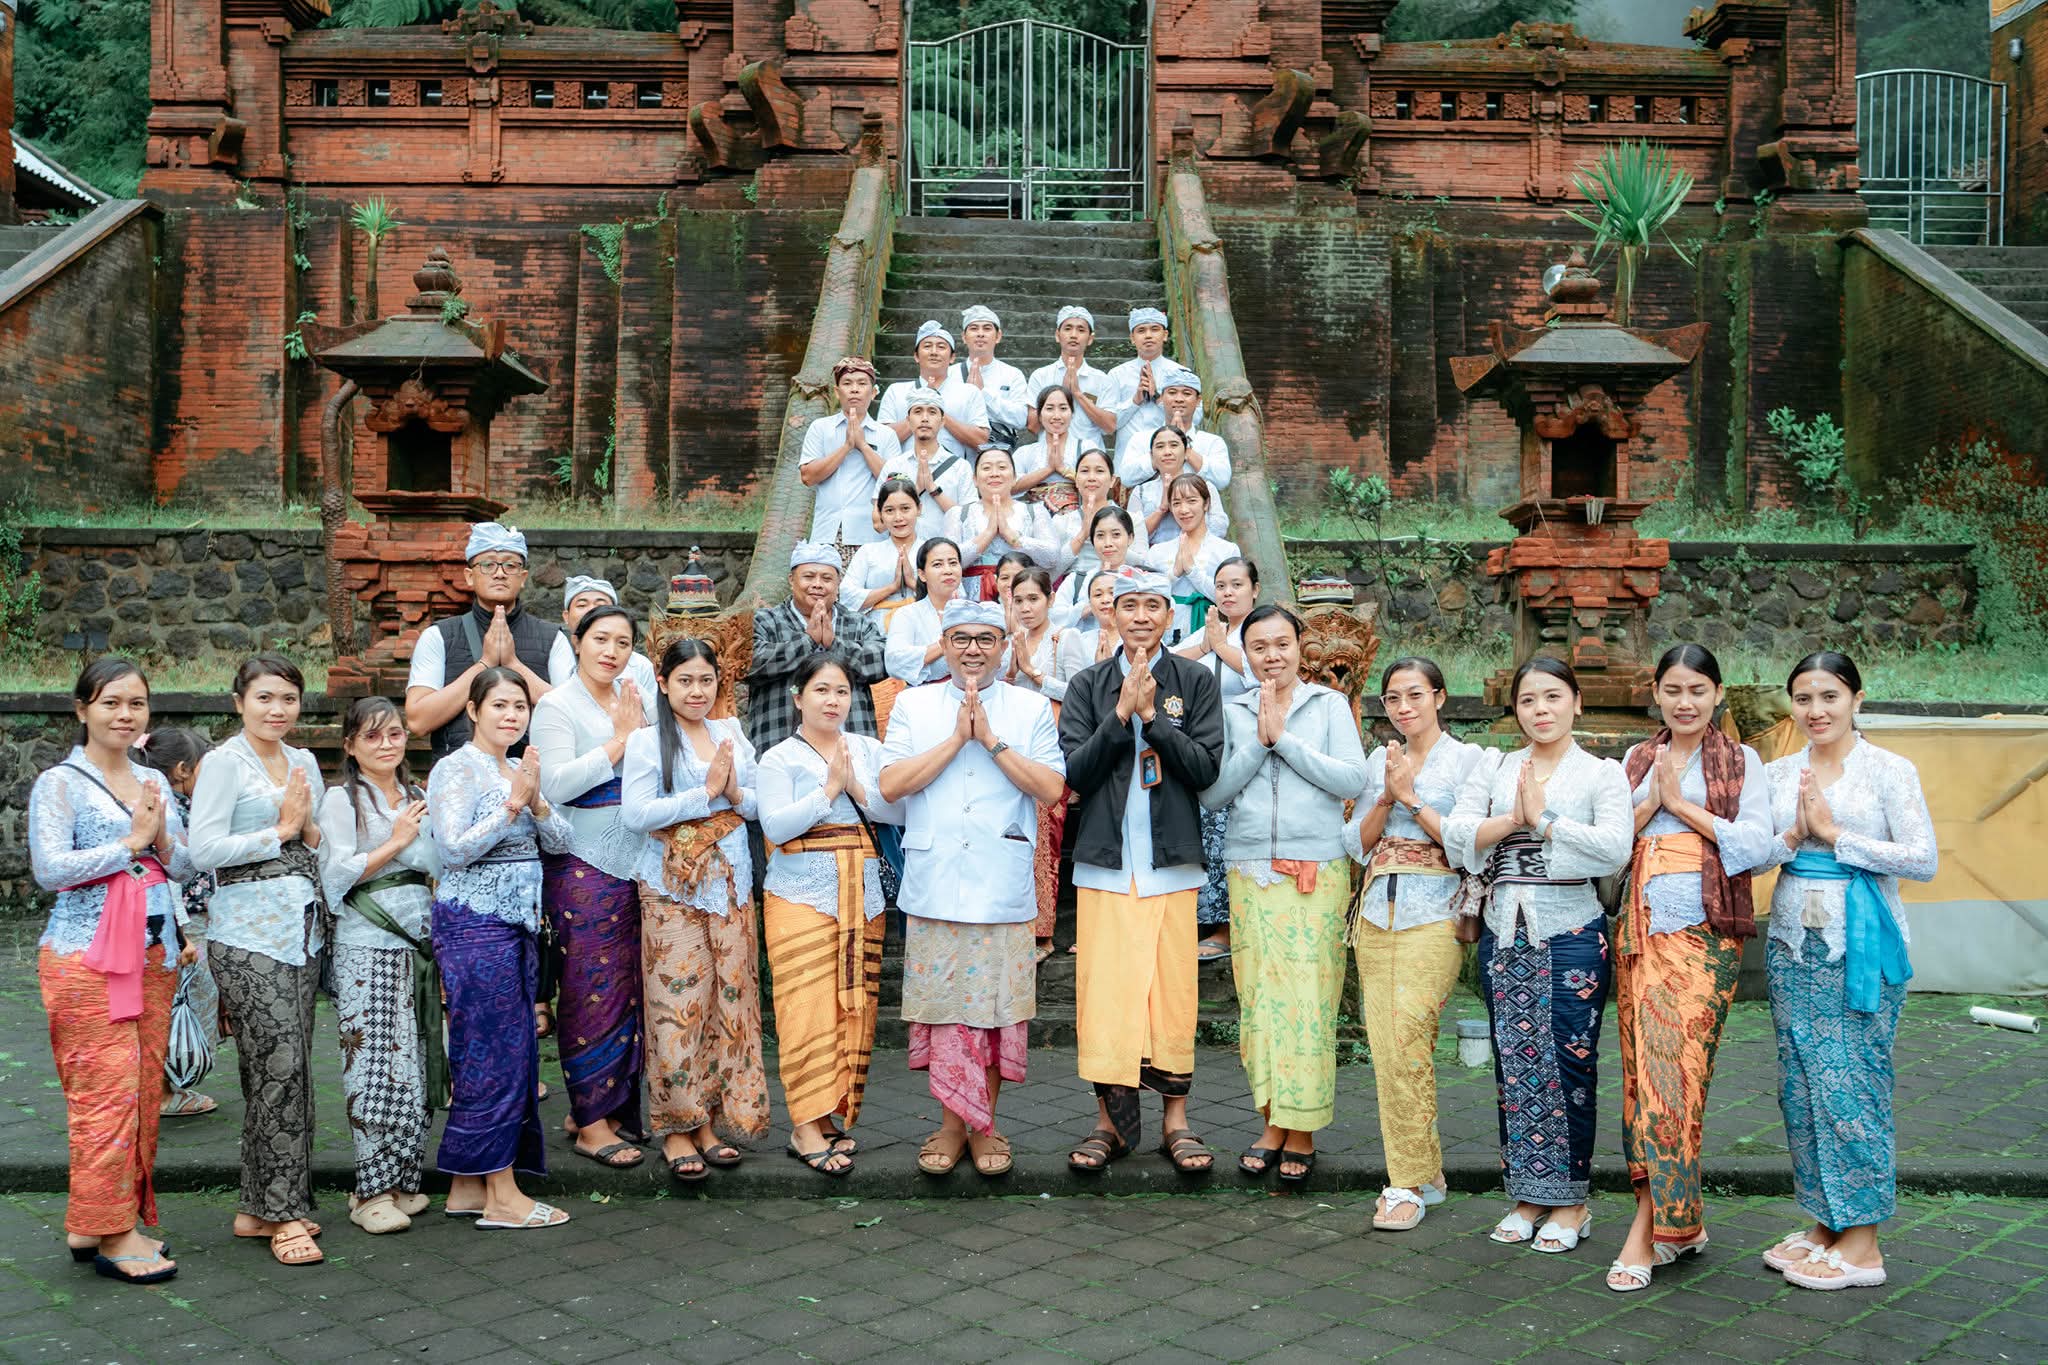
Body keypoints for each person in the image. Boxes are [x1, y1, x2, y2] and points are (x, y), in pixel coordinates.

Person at [1757, 651, 1936, 1292]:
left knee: (1853, 1082)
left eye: (1829, 696)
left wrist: (1835, 837)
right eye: (1803, 699)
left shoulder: (1890, 770)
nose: (1816, 711)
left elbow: (1922, 859)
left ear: (1856, 699)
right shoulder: (1777, 774)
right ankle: (1827, 1222)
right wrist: (1788, 839)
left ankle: (1863, 1243)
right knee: (1801, 1084)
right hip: (1788, 943)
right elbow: (1752, 858)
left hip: (1861, 946)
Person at [1443, 656, 1631, 1256]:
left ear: (1576, 702)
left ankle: (1572, 1202)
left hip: (1572, 928)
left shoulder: (1602, 774)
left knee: (1571, 1062)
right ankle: (1527, 1194)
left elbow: (1614, 850)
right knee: (1516, 1061)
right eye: (1528, 700)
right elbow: (1457, 833)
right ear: (1515, 709)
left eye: (1553, 697)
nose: (1541, 710)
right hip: (1505, 929)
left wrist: (1544, 822)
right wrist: (1510, 819)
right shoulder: (1497, 767)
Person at [1602, 643, 1774, 1290]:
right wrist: (1650, 801)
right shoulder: (1635, 759)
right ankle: (1681, 1219)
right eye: (1673, 689)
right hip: (1640, 936)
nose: (1685, 702)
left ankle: (1648, 1227)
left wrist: (1687, 807)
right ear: (1655, 690)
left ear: (1718, 693)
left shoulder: (1742, 761)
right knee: (1643, 1077)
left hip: (1704, 939)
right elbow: (1612, 841)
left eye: (1698, 689)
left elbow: (1757, 846)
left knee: (1678, 1076)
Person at [880, 598, 1067, 1176]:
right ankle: (950, 1127)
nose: (973, 651)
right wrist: (955, 739)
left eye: (986, 639)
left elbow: (1052, 788)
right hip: (935, 885)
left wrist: (990, 740)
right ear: (944, 643)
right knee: (944, 1013)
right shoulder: (912, 704)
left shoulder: (1030, 708)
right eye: (961, 639)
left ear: (1003, 646)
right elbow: (890, 785)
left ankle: (985, 1126)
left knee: (994, 1013)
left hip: (1000, 886)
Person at [1059, 568, 1226, 1174]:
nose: (1140, 616)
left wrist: (1154, 719)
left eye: (1152, 605)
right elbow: (1075, 773)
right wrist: (1120, 715)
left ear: (1169, 614)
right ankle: (1110, 1125)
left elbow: (1205, 770)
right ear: (1110, 613)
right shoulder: (1087, 684)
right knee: (1107, 996)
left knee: (1171, 996)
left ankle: (1175, 1123)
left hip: (1170, 866)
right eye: (1128, 605)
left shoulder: (1195, 681)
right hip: (1105, 866)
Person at [29, 659, 190, 1284]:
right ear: (82, 710)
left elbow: (180, 867)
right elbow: (50, 869)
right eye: (111, 703)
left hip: (154, 955)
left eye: (137, 704)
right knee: (106, 1094)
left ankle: (94, 1219)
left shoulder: (152, 780)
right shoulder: (59, 784)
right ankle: (116, 1234)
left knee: (146, 1092)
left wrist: (165, 843)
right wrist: (129, 843)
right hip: (86, 957)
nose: (125, 715)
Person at [1201, 604, 1366, 1184]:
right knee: (1263, 1004)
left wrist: (1286, 742)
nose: (1273, 656)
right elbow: (1213, 793)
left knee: (1309, 1003)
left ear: (1302, 647)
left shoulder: (1328, 706)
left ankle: (1304, 1128)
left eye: (1282, 644)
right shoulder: (1230, 709)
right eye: (1260, 647)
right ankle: (1272, 1119)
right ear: (1245, 653)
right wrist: (1259, 742)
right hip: (1249, 870)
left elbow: (1352, 780)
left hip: (1315, 870)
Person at [187, 654, 328, 1267]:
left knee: (290, 1071)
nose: (278, 710)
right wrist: (281, 830)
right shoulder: (223, 763)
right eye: (265, 698)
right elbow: (202, 849)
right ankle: (283, 1213)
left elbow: (316, 834)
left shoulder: (304, 760)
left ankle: (258, 1206)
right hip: (246, 935)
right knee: (281, 1069)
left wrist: (308, 830)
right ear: (239, 700)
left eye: (289, 699)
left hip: (302, 931)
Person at [1345, 656, 1493, 1232]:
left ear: (1439, 697)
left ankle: (1402, 1183)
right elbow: (1355, 843)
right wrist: (1384, 796)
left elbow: (1466, 844)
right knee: (1390, 1046)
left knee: (1408, 1033)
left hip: (1436, 913)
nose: (1404, 708)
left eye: (1414, 695)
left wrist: (1409, 799)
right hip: (1376, 912)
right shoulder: (1378, 759)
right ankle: (1426, 1171)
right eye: (1392, 699)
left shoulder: (1471, 761)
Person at [428, 667, 574, 1231]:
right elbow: (455, 849)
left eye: (520, 706)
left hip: (517, 926)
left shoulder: (518, 769)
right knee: (494, 1052)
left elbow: (561, 842)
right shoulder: (453, 768)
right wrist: (511, 807)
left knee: (505, 1050)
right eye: (500, 706)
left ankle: (467, 1185)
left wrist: (534, 802)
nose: (512, 715)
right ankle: (502, 1194)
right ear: (473, 711)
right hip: (473, 925)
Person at [621, 639, 769, 1182]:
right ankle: (676, 1128)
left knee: (725, 1005)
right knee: (674, 1005)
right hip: (670, 889)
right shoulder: (645, 742)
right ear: (664, 684)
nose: (697, 691)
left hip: (730, 889)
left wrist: (733, 790)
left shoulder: (730, 734)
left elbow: (757, 804)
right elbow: (636, 813)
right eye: (685, 680)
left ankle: (708, 1119)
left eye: (706, 680)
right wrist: (705, 796)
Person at [756, 653, 904, 1177]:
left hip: (861, 894)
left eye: (841, 691)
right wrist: (827, 793)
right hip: (800, 895)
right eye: (821, 690)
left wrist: (858, 787)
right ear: (798, 697)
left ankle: (832, 1114)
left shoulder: (868, 748)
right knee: (805, 1006)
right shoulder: (778, 758)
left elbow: (899, 808)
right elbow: (774, 824)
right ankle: (803, 1126)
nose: (832, 701)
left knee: (855, 1006)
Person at [530, 605, 650, 1169]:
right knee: (587, 988)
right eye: (600, 638)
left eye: (623, 642)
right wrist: (620, 743)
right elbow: (553, 784)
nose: (611, 651)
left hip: (640, 858)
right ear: (576, 642)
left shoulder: (633, 697)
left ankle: (608, 1108)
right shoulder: (556, 705)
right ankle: (591, 1123)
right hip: (582, 861)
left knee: (631, 988)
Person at [317, 697, 440, 1236]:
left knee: (414, 1065)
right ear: (350, 745)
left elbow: (440, 862)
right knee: (372, 1068)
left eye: (394, 735)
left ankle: (402, 1180)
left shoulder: (417, 794)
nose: (387, 745)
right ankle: (370, 1191)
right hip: (367, 943)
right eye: (372, 737)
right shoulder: (341, 800)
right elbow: (336, 875)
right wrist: (397, 841)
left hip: (418, 944)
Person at [405, 521, 560, 763]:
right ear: (469, 576)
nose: (499, 573)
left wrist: (513, 664)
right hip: (459, 779)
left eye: (510, 565)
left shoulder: (553, 638)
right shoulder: (439, 636)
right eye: (487, 564)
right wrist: (484, 664)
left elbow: (573, 713)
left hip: (535, 780)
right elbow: (417, 721)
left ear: (523, 578)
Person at [999, 568, 1091, 960]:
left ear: (1050, 601)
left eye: (1033, 599)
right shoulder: (1007, 643)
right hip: (1013, 752)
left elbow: (1085, 693)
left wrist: (1034, 673)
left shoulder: (1064, 638)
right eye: (1018, 600)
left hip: (1054, 749)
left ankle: (1043, 933)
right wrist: (1012, 665)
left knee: (1044, 841)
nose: (1026, 607)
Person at [1171, 554, 1258, 960]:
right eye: (1221, 585)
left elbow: (1263, 673)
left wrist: (1222, 647)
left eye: (1237, 584)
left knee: (1231, 836)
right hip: (1206, 748)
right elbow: (1165, 664)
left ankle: (1228, 927)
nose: (1227, 592)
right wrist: (1208, 643)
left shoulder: (1262, 631)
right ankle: (1204, 922)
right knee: (1206, 834)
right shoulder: (1210, 630)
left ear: (1254, 590)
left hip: (1247, 748)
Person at [138, 727, 219, 1120]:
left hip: (175, 918)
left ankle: (162, 1088)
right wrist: (183, 931)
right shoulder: (170, 805)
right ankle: (167, 1091)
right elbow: (171, 872)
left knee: (174, 1002)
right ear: (183, 769)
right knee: (181, 1003)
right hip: (183, 920)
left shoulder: (169, 800)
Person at [748, 541, 890, 754]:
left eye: (826, 578)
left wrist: (835, 645)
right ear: (791, 580)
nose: (817, 584)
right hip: (780, 743)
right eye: (808, 577)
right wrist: (807, 641)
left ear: (837, 584)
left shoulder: (858, 623)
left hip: (852, 747)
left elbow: (883, 662)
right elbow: (748, 663)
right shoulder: (764, 621)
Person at [799, 356, 902, 549]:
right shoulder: (820, 428)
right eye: (847, 383)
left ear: (873, 393)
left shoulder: (886, 434)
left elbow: (895, 483)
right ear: (837, 392)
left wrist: (862, 446)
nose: (854, 389)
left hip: (872, 535)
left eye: (862, 383)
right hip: (827, 532)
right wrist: (846, 446)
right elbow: (807, 476)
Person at [944, 447, 1058, 602]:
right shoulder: (958, 514)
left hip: (1023, 596)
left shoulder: (1033, 511)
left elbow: (1052, 557)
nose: (994, 473)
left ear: (1014, 477)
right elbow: (947, 562)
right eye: (986, 468)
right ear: (975, 479)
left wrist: (1012, 536)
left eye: (1002, 467)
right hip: (971, 599)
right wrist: (988, 534)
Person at [547, 576, 659, 723]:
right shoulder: (551, 652)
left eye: (601, 605)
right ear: (566, 616)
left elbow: (656, 718)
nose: (591, 610)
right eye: (582, 605)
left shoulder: (640, 666)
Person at [879, 321, 991, 463]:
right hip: (905, 478)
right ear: (916, 356)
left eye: (941, 347)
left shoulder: (969, 392)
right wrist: (922, 405)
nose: (934, 352)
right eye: (927, 346)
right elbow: (882, 441)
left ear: (952, 357)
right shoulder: (896, 391)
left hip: (954, 475)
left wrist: (938, 410)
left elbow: (981, 441)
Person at [878, 388, 976, 540]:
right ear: (908, 421)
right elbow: (878, 524)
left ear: (942, 421)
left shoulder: (960, 467)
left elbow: (969, 522)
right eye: (918, 411)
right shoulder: (894, 466)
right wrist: (915, 490)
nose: (924, 418)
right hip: (902, 552)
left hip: (945, 556)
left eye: (932, 412)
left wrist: (933, 489)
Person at [1024, 306, 1117, 452]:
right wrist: (1060, 395)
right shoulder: (1041, 376)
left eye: (1081, 330)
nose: (1074, 335)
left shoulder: (1102, 380)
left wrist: (1078, 394)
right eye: (1068, 328)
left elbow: (1110, 427)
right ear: (1057, 335)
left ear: (1090, 338)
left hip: (1090, 459)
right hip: (1049, 454)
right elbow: (1033, 426)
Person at [1101, 306, 1176, 478]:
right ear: (1132, 338)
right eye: (1141, 330)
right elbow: (1107, 426)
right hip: (1128, 465)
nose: (1148, 335)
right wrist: (1134, 401)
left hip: (1169, 464)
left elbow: (1194, 418)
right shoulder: (1117, 374)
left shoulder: (1180, 374)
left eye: (1154, 329)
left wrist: (1158, 398)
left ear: (1165, 335)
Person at [1126, 426, 1229, 548]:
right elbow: (1131, 536)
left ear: (1186, 452)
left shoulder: (1205, 487)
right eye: (1160, 446)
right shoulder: (1141, 491)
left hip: (1199, 555)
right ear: (1152, 456)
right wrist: (1162, 509)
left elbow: (1220, 529)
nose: (1167, 452)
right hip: (1152, 561)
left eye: (1174, 445)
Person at [885, 538, 967, 690]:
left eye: (953, 563)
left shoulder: (974, 611)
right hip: (924, 698)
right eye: (938, 564)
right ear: (922, 575)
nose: (948, 570)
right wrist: (946, 641)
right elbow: (894, 662)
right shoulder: (907, 614)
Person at [1009, 386, 1095, 517]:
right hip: (1035, 521)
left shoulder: (1086, 447)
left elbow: (1099, 485)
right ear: (1039, 415)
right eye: (1049, 408)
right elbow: (1008, 489)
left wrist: (1063, 469)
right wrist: (1048, 469)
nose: (1056, 416)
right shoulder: (1025, 452)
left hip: (1079, 519)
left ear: (1072, 413)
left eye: (1063, 408)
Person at [1144, 365, 1229, 491]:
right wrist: (1166, 442)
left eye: (1187, 393)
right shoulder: (1142, 438)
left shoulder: (1213, 442)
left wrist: (1185, 447)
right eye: (1172, 393)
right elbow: (1127, 476)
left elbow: (1222, 480)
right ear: (1161, 397)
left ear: (1198, 400)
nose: (1179, 399)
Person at [1053, 506, 1135, 631]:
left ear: (1130, 538)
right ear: (1092, 541)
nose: (1108, 543)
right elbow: (1054, 618)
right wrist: (1086, 608)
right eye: (1100, 536)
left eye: (1116, 535)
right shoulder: (1077, 580)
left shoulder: (1140, 580)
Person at [957, 304, 1031, 441]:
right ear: (964, 337)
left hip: (998, 456)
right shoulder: (950, 373)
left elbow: (1021, 418)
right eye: (974, 328)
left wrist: (983, 393)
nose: (980, 333)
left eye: (987, 328)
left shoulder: (1012, 374)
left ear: (998, 336)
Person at [1048, 448, 1121, 581]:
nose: (1091, 478)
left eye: (1099, 471)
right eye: (1085, 471)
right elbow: (1050, 574)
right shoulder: (1062, 521)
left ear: (1112, 480)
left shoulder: (1130, 519)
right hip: (1074, 589)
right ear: (1076, 480)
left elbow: (1142, 563)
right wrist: (1083, 534)